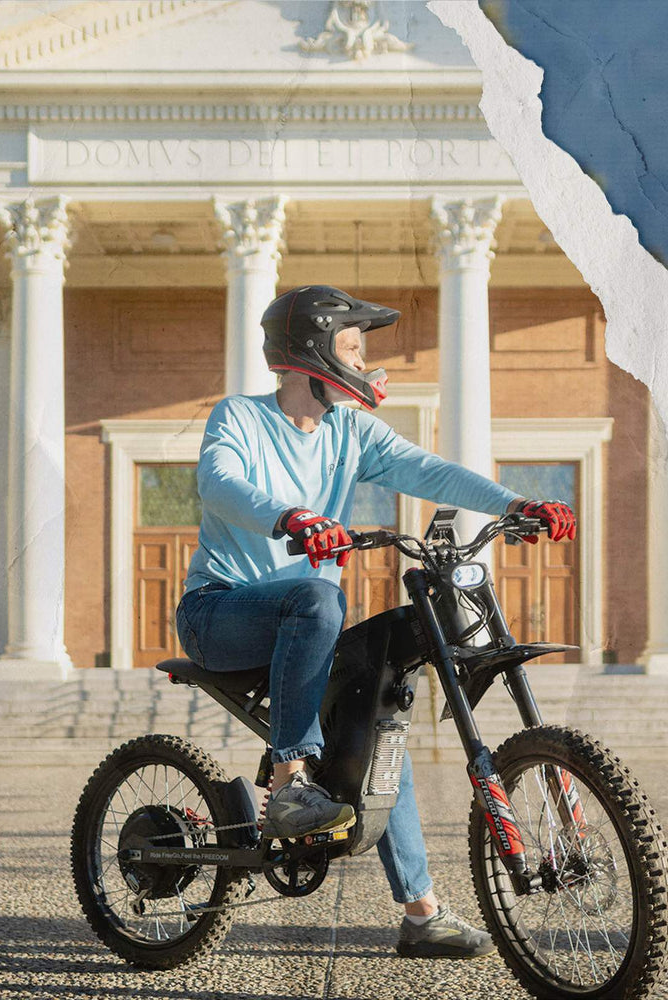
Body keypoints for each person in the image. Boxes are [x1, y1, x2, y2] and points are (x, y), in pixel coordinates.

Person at [173, 285, 576, 958]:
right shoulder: (239, 417)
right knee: (317, 596)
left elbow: (431, 472)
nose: (363, 362)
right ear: (311, 353)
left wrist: (517, 503)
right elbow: (218, 482)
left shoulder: (350, 431)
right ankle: (291, 781)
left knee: (382, 718)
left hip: (307, 622)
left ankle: (421, 914)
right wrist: (290, 518)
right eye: (352, 347)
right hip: (221, 610)